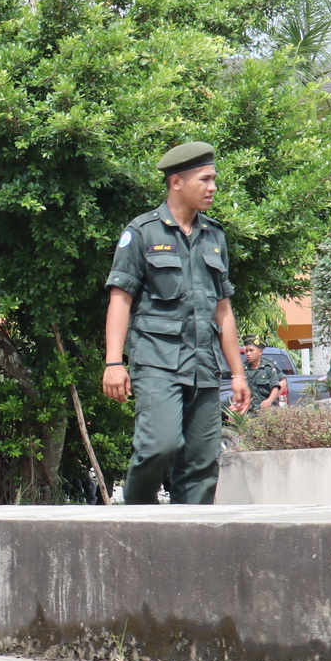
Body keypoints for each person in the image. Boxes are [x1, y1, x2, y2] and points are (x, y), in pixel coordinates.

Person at [102, 141, 250, 504]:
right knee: (160, 445)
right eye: (205, 179)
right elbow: (120, 299)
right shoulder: (142, 232)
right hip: (157, 362)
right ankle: (136, 518)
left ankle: (190, 532)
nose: (213, 187)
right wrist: (113, 363)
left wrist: (238, 373)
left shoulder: (214, 235)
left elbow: (223, 310)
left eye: (214, 179)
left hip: (204, 366)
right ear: (177, 182)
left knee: (202, 464)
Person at [242, 339, 286, 412]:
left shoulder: (268, 367)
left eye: (251, 350)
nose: (248, 354)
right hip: (248, 411)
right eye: (246, 351)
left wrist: (270, 400)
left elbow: (276, 385)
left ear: (260, 352)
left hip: (265, 410)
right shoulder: (243, 368)